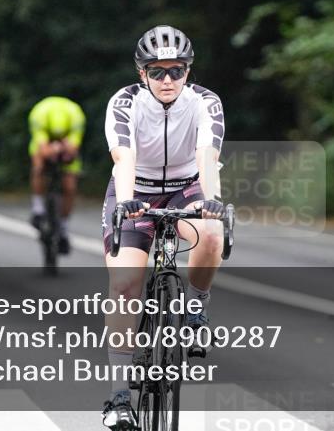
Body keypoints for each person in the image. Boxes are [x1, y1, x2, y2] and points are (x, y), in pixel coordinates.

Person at [100, 25, 227, 430]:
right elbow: (124, 158)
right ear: (142, 74)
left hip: (185, 188)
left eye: (177, 70)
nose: (168, 79)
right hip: (134, 188)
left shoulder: (206, 102)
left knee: (211, 234)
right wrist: (125, 204)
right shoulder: (124, 103)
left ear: (189, 71)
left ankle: (196, 311)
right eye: (157, 71)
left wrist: (211, 201)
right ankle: (119, 399)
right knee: (124, 285)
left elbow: (208, 156)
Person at [27, 95, 86, 254]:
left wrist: (65, 150)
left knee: (70, 186)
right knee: (39, 167)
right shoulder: (39, 114)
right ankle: (38, 208)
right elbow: (42, 146)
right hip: (44, 144)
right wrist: (51, 150)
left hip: (66, 148)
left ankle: (64, 229)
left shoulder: (76, 116)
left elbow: (73, 147)